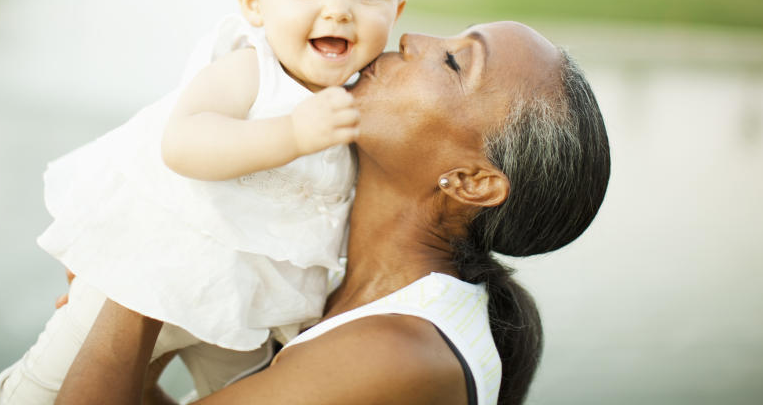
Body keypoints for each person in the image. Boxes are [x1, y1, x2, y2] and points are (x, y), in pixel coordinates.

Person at [0, 0, 407, 404]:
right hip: (152, 267)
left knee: (258, 389)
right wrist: (291, 135)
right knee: (50, 386)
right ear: (254, 3)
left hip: (250, 299)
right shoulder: (250, 71)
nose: (338, 9)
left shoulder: (356, 101)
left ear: (396, 10)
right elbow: (184, 143)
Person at [55, 21, 611, 405]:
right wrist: (128, 325)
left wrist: (133, 278)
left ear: (471, 182)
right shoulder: (329, 282)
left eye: (452, 62)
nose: (412, 38)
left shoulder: (399, 352)